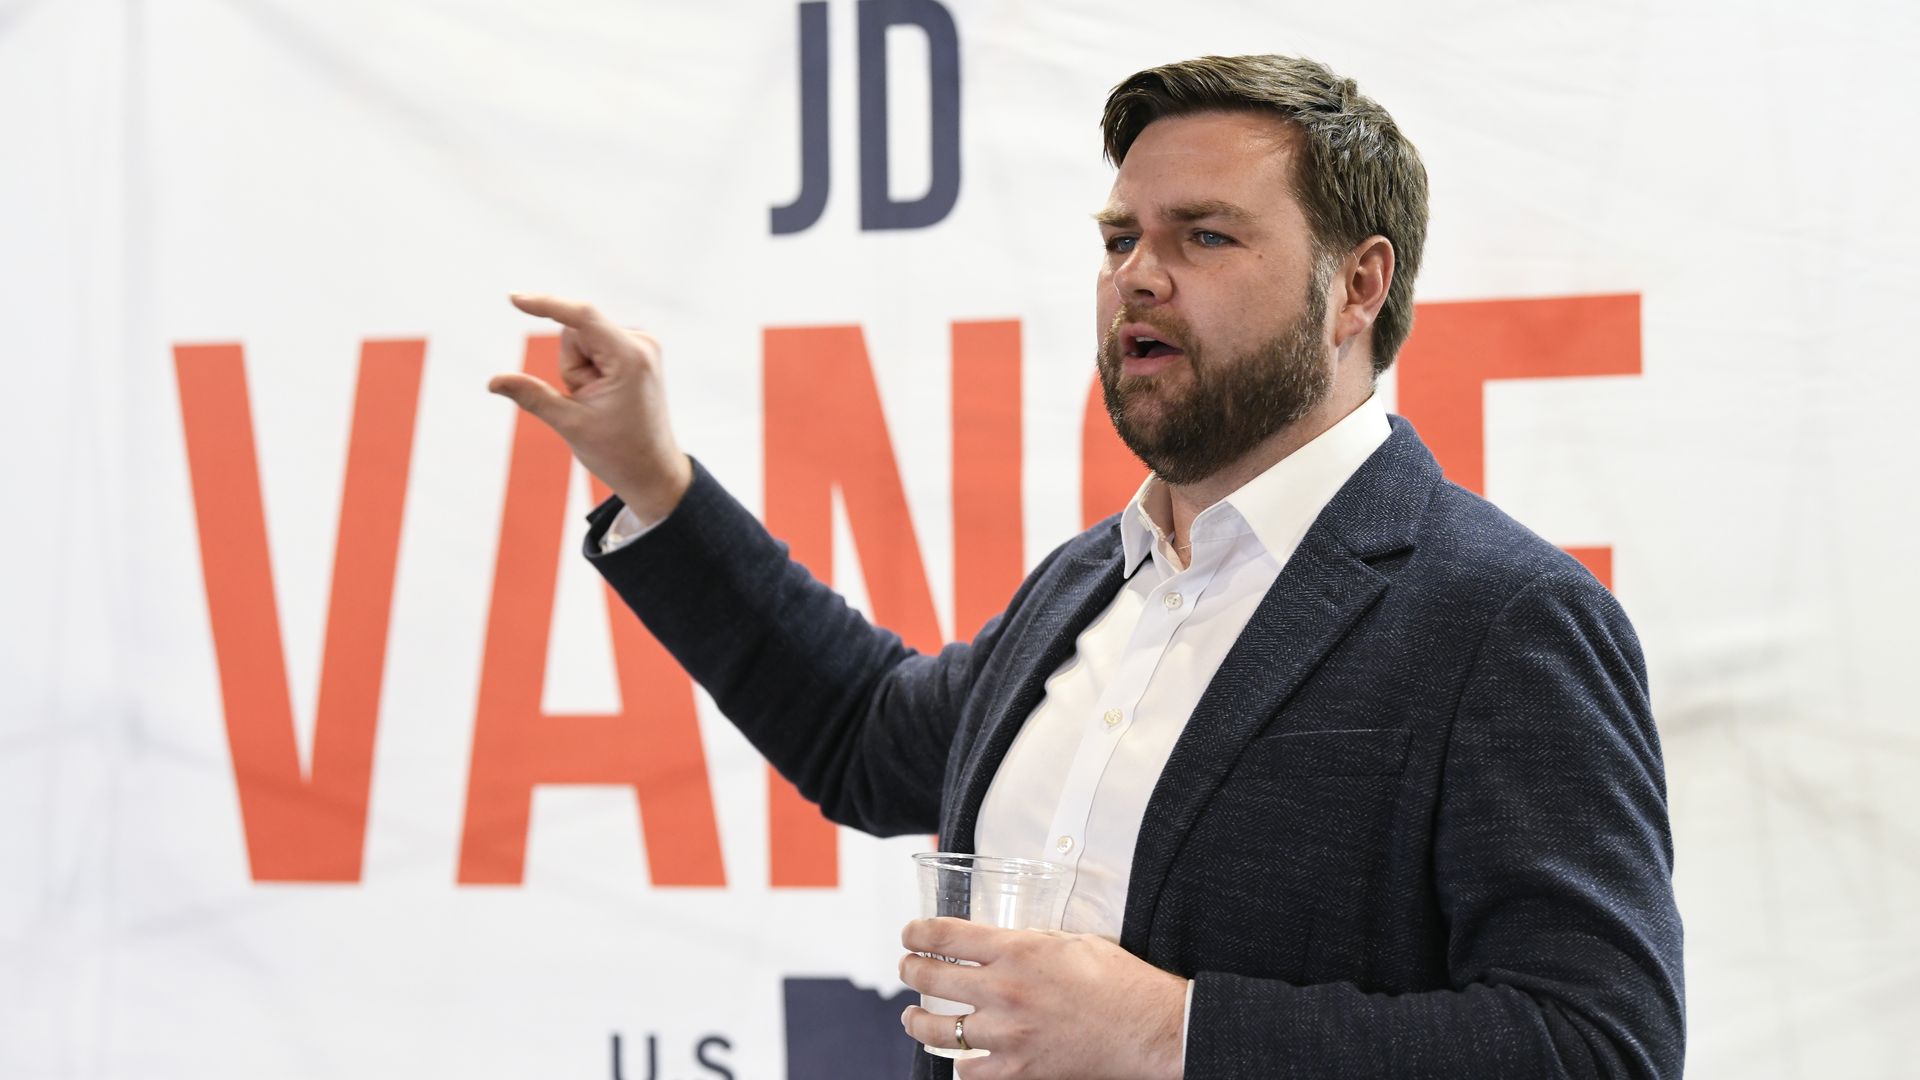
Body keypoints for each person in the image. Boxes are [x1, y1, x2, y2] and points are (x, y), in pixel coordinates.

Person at [489, 54, 1683, 1080]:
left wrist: (1176, 1032)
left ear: (1356, 287)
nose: (1137, 277)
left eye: (1203, 235)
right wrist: (653, 478)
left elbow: (1598, 1043)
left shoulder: (1501, 613)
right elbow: (862, 735)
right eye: (1121, 238)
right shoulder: (1088, 586)